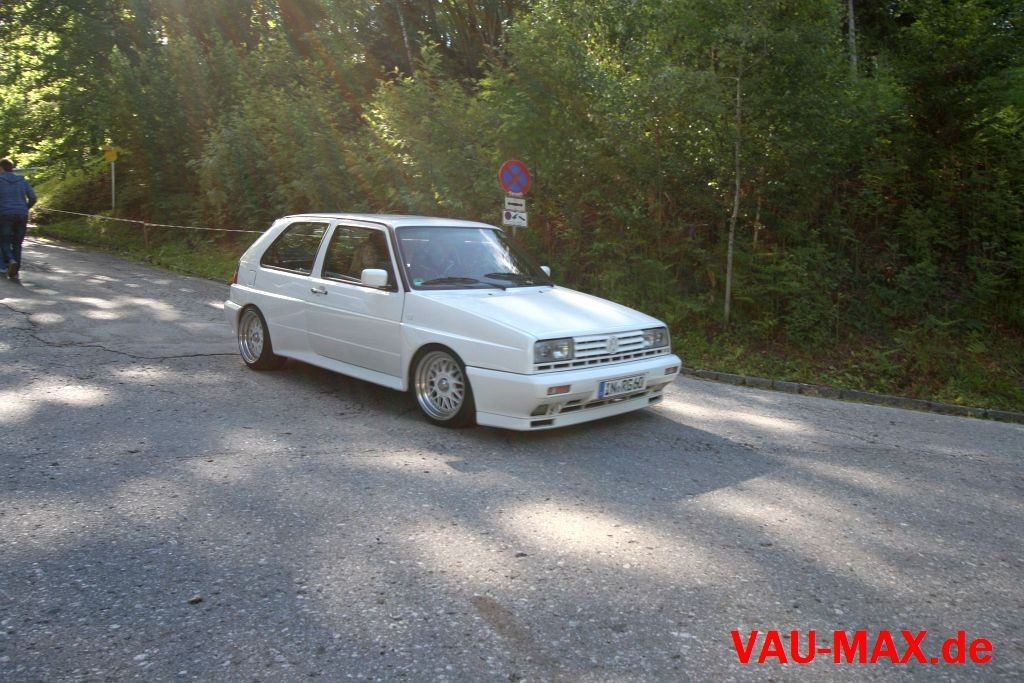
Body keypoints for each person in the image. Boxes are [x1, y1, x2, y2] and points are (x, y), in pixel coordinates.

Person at [0, 157, 37, 281]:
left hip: (5, 214)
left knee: (4, 240)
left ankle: (10, 261)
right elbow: (33, 197)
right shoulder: (22, 180)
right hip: (22, 214)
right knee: (17, 243)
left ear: (1, 168)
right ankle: (15, 271)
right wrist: (25, 208)